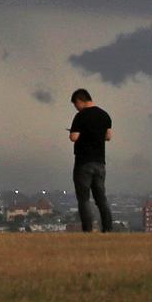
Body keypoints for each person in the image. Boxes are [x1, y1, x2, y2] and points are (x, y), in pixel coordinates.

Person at [68, 88, 113, 232]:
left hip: (83, 162)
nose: (76, 107)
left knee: (84, 199)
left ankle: (87, 230)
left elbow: (74, 137)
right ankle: (108, 229)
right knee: (101, 199)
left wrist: (74, 132)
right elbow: (108, 137)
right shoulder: (105, 115)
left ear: (79, 101)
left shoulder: (80, 116)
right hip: (100, 162)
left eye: (75, 104)